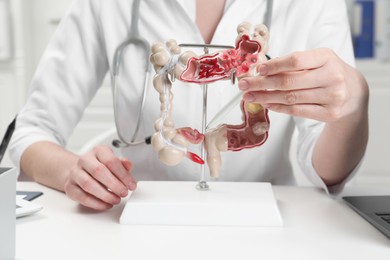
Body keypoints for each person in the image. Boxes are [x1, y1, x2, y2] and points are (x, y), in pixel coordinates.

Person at [9, 0, 369, 211]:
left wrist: (352, 108)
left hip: (269, 225)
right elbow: (30, 132)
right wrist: (74, 171)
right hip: (138, 222)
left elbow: (326, 172)